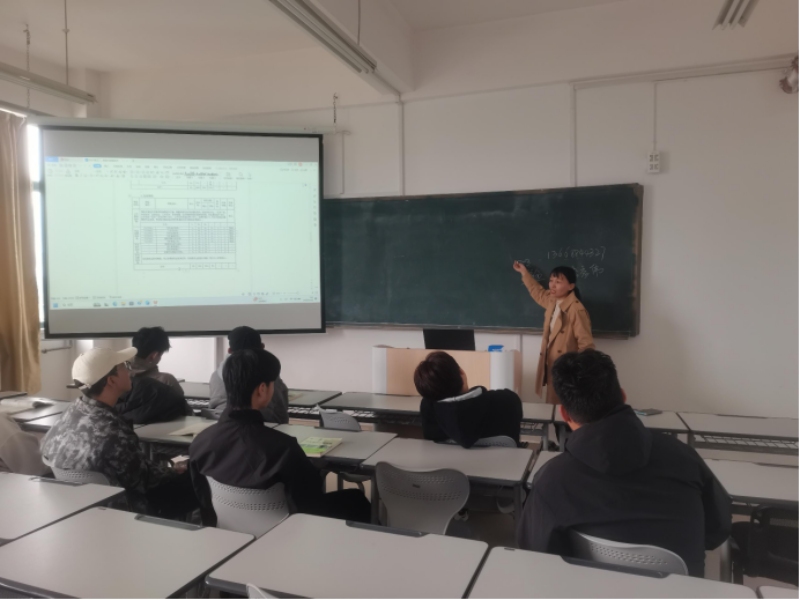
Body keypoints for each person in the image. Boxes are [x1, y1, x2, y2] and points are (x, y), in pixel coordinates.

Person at [516, 349, 731, 577]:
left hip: (591, 589)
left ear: (564, 414)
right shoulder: (684, 457)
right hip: (682, 590)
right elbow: (717, 529)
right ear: (623, 395)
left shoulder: (552, 480)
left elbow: (534, 554)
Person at [190, 348, 370, 524]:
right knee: (355, 499)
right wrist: (312, 468)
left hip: (230, 532)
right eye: (273, 383)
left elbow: (202, 500)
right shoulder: (283, 448)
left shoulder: (201, 442)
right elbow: (310, 501)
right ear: (262, 389)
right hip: (290, 532)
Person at [41, 347, 198, 518]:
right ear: (111, 380)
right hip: (128, 511)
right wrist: (176, 470)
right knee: (198, 479)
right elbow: (146, 480)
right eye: (124, 366)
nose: (131, 371)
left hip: (85, 508)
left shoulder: (67, 416)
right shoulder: (113, 432)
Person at [512, 263, 594, 403]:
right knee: (553, 404)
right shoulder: (552, 300)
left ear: (571, 286)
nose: (553, 285)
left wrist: (579, 371)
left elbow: (586, 344)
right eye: (551, 281)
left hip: (566, 367)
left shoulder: (576, 309)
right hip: (552, 363)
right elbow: (537, 292)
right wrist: (524, 273)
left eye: (558, 282)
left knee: (564, 405)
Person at [414, 351, 522, 448]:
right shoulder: (508, 401)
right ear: (462, 372)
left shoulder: (428, 408)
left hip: (451, 464)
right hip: (502, 464)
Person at [208, 326, 289, 424]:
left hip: (219, 423)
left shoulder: (216, 375)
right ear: (262, 347)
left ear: (229, 351)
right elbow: (281, 411)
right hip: (262, 426)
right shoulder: (267, 373)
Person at [130, 326, 184, 396]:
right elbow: (181, 402)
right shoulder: (167, 381)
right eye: (160, 355)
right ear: (154, 355)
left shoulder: (120, 377)